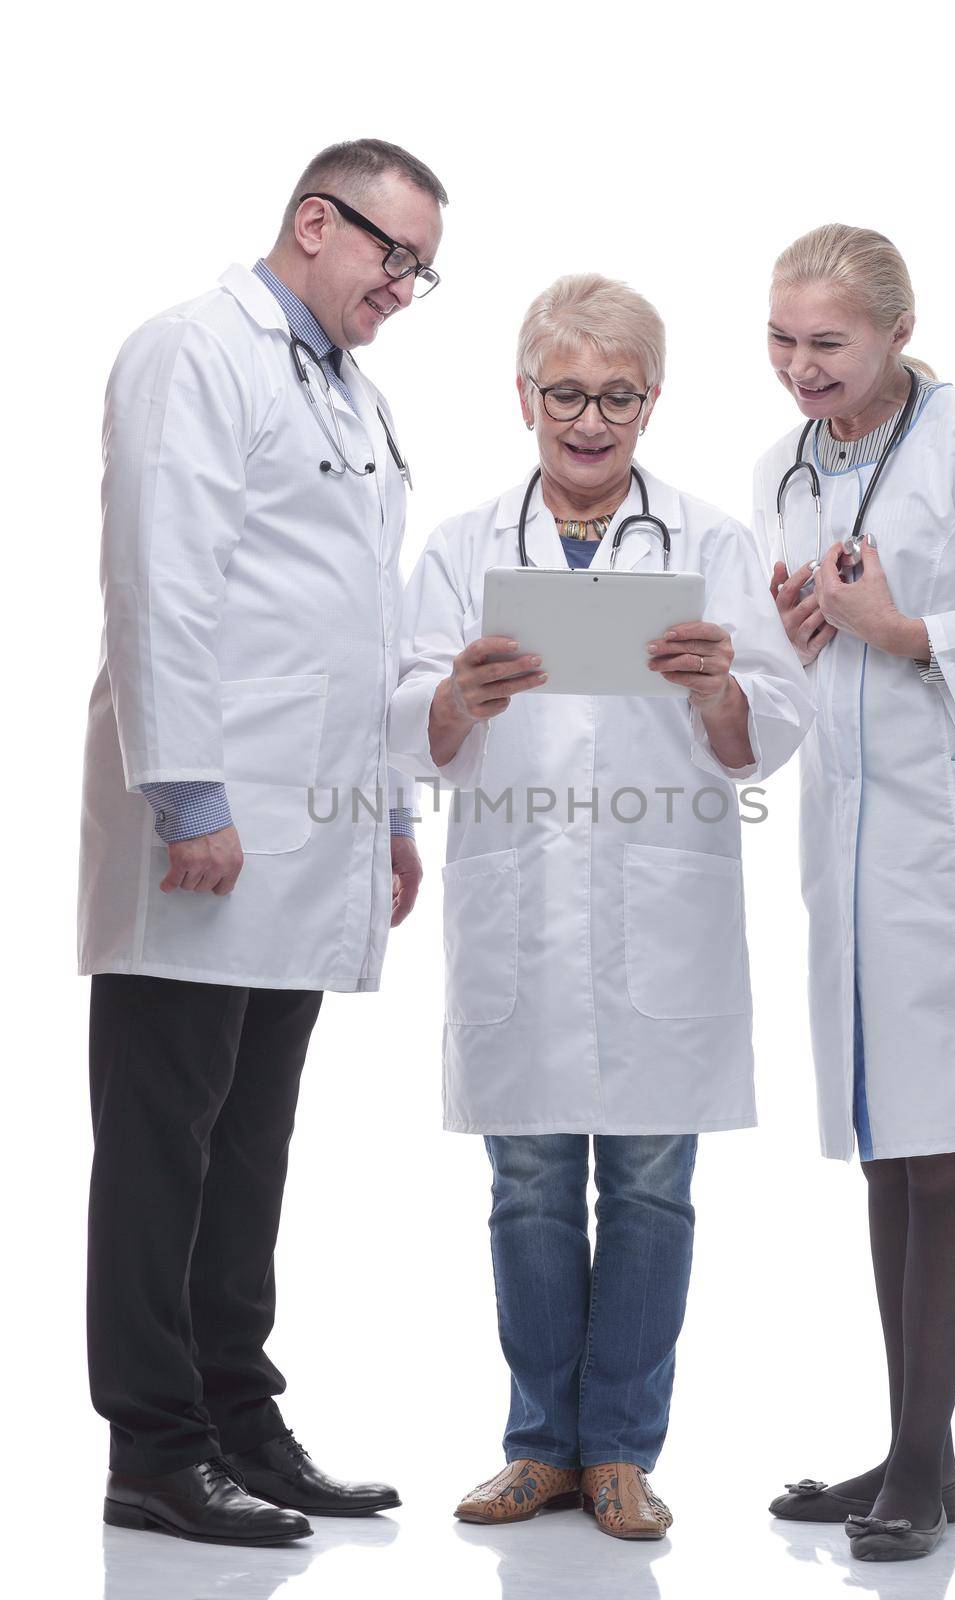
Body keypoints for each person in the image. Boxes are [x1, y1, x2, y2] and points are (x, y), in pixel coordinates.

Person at [388, 274, 813, 1540]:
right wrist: (458, 697)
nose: (588, 420)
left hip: (659, 909)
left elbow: (772, 725)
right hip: (516, 901)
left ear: (651, 399)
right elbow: (403, 717)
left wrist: (718, 690)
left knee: (647, 1189)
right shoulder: (464, 545)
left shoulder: (708, 543)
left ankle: (619, 1449)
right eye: (564, 392)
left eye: (615, 395)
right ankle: (538, 1448)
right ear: (522, 394)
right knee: (524, 1185)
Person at [78, 138, 446, 1546]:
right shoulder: (195, 353)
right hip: (210, 827)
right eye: (390, 256)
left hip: (310, 829)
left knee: (250, 1142)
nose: (405, 287)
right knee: (164, 1142)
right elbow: (156, 575)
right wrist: (188, 796)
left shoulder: (346, 390)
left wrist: (391, 808)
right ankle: (152, 1450)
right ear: (313, 221)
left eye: (422, 268)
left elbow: (349, 628)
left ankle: (239, 1416)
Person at [752, 223, 955, 1562]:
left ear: (893, 330)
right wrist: (798, 627)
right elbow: (814, 653)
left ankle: (920, 1464)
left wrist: (905, 631)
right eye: (777, 339)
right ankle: (909, 1455)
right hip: (854, 835)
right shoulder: (780, 470)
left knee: (944, 1152)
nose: (797, 368)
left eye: (825, 343)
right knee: (887, 1145)